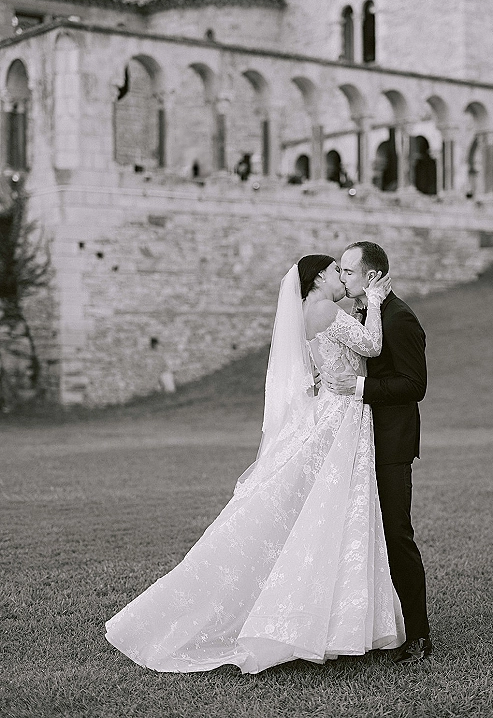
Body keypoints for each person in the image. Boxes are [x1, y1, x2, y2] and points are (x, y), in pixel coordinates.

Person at [105, 254, 405, 674]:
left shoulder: (307, 312)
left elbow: (326, 361)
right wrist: (374, 300)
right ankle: (329, 620)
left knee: (333, 514)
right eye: (337, 270)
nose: (342, 276)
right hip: (342, 419)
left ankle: (337, 618)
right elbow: (372, 346)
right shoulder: (323, 308)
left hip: (339, 411)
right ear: (319, 277)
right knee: (335, 513)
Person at [323, 241, 431, 663]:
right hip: (356, 443)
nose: (342, 278)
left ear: (370, 276)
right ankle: (372, 626)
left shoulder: (400, 318)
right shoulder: (360, 315)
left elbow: (414, 385)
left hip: (389, 444)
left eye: (348, 272)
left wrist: (360, 389)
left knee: (396, 535)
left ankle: (418, 634)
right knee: (361, 535)